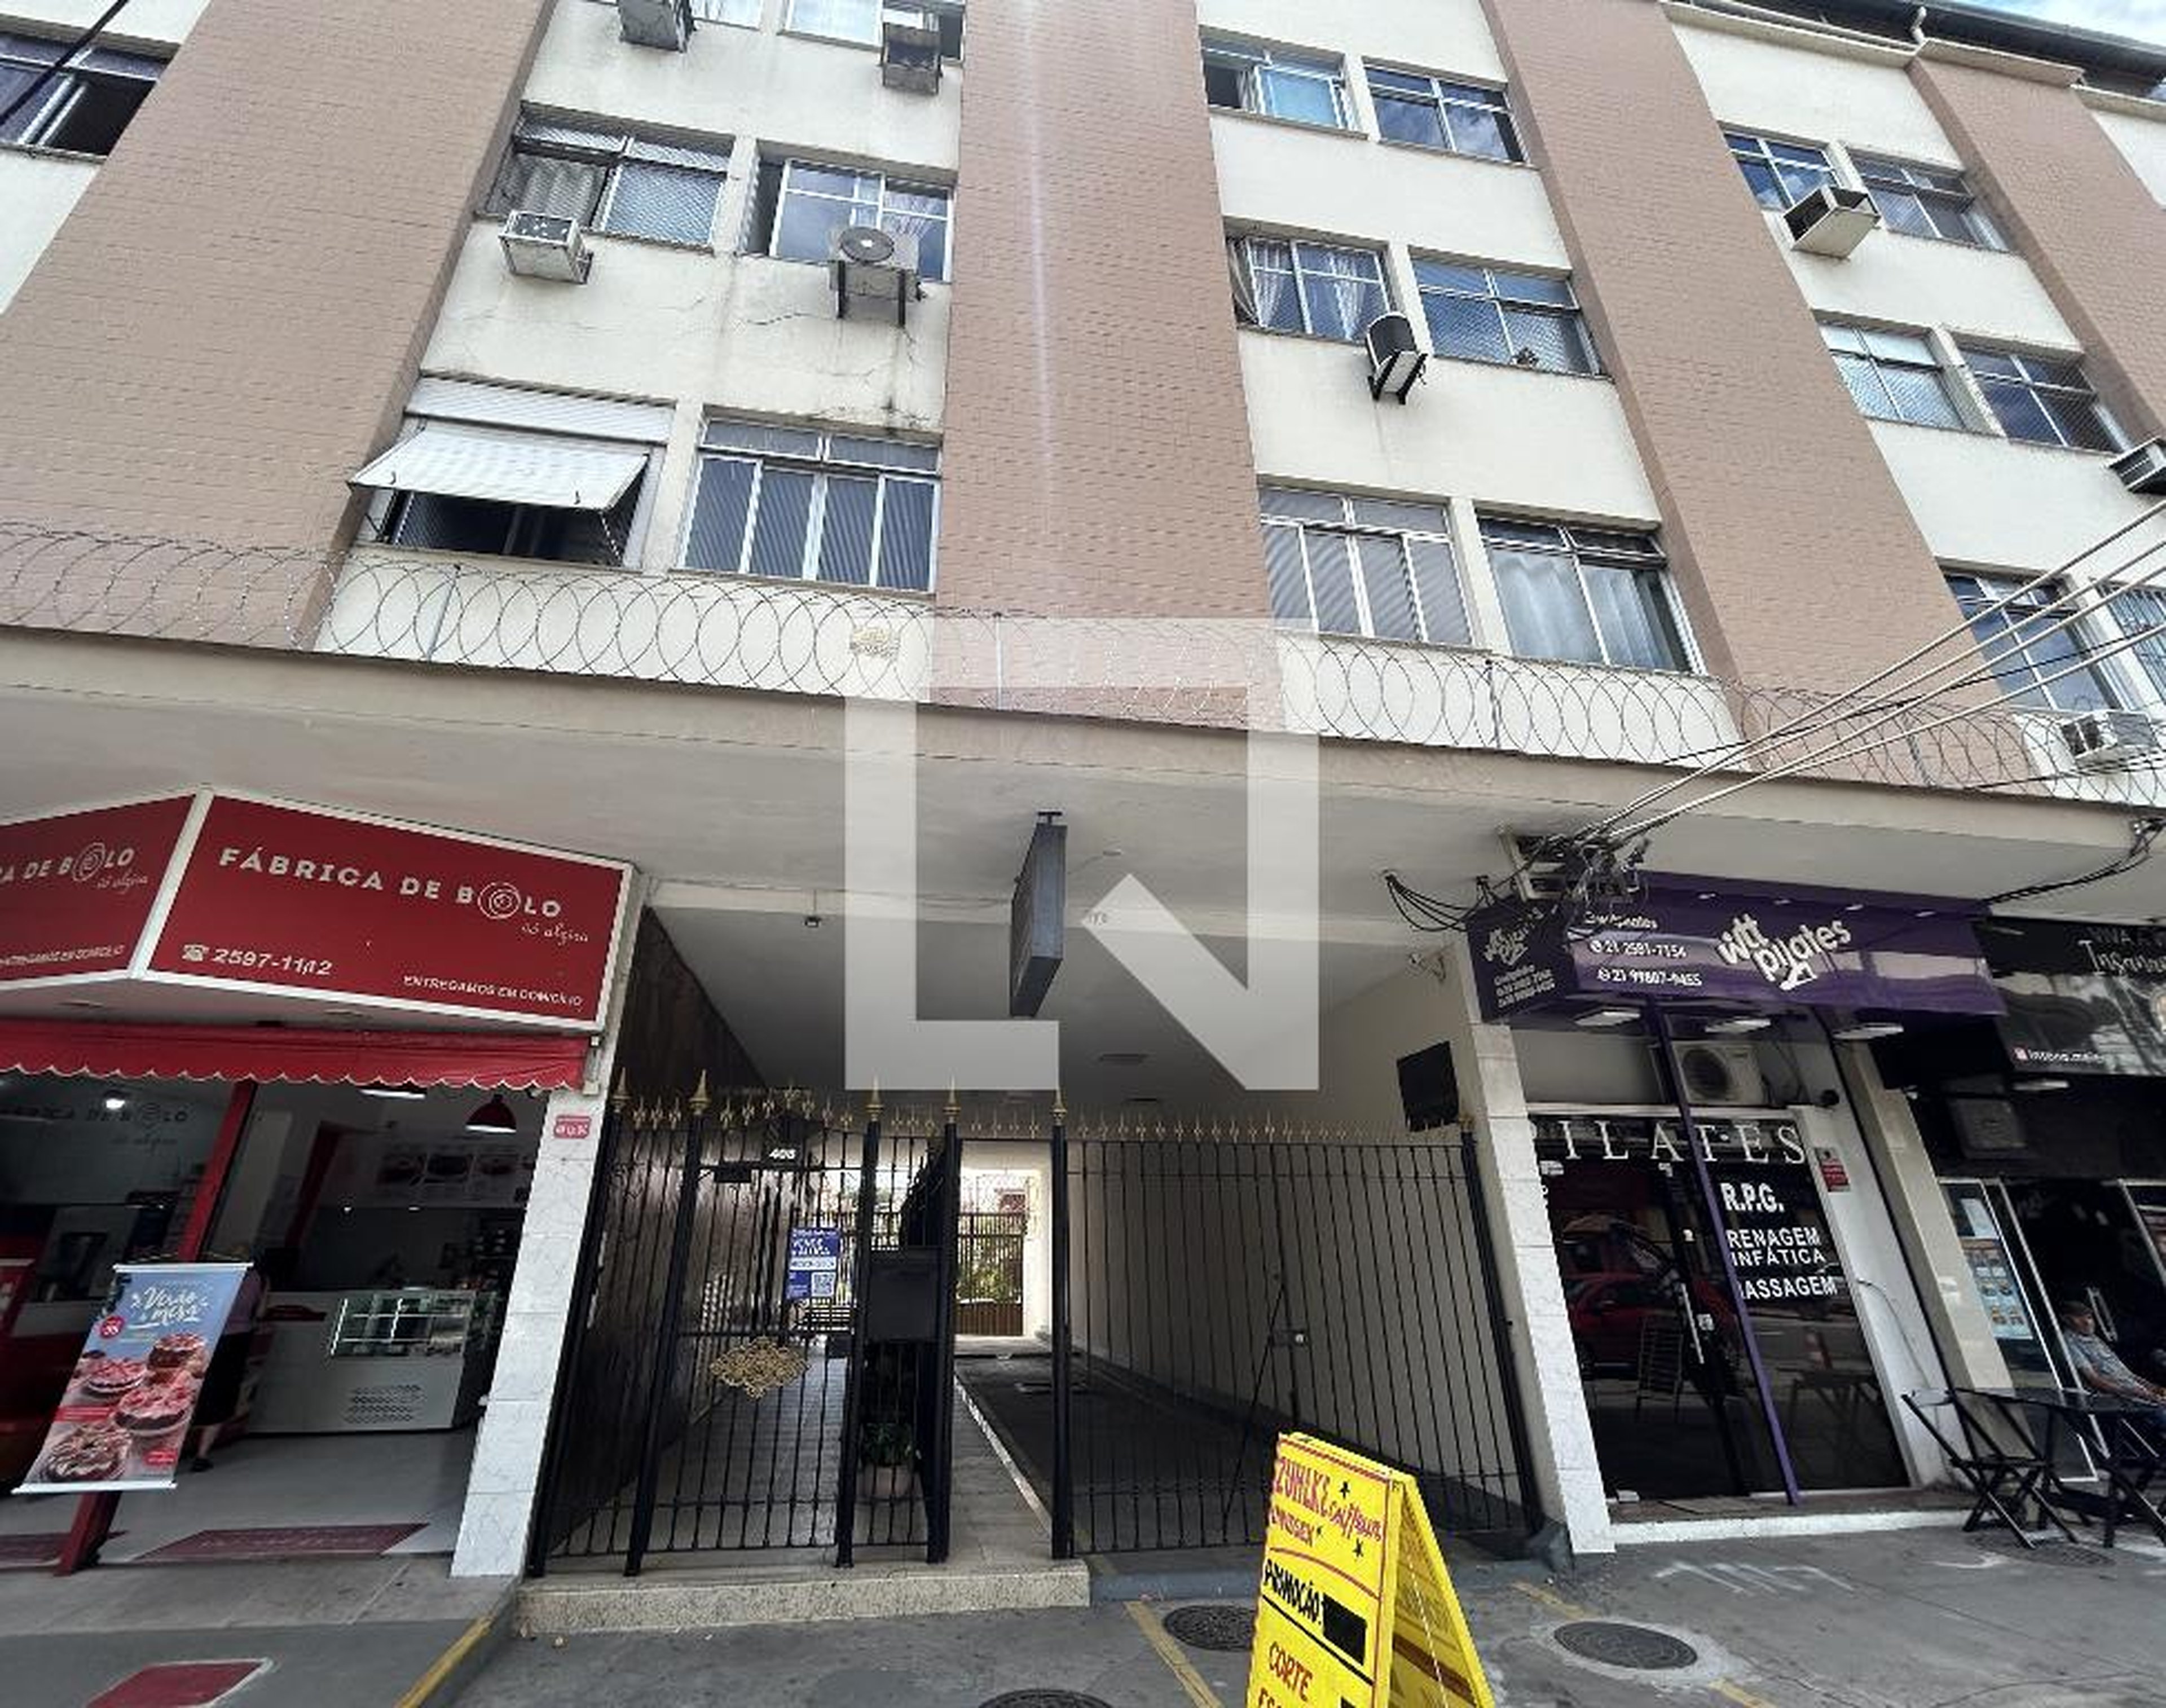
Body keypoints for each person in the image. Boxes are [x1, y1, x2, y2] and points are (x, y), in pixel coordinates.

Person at [2057, 1300, 2166, 1433]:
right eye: (2079, 1318)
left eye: (2089, 1318)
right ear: (2066, 1320)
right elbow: (2095, 1381)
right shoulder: (2070, 1343)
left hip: (2140, 1395)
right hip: (2120, 1399)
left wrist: (2154, 1389)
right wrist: (2143, 1394)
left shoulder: (2095, 1339)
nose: (2087, 1322)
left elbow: (2127, 1374)